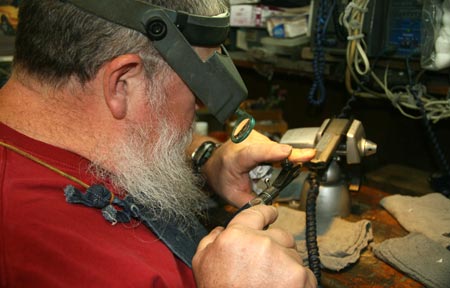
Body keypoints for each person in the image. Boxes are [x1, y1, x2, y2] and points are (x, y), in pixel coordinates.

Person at [0, 0, 317, 287]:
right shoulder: (86, 267)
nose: (196, 109)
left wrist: (205, 157)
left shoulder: (42, 121)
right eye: (196, 91)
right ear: (123, 83)